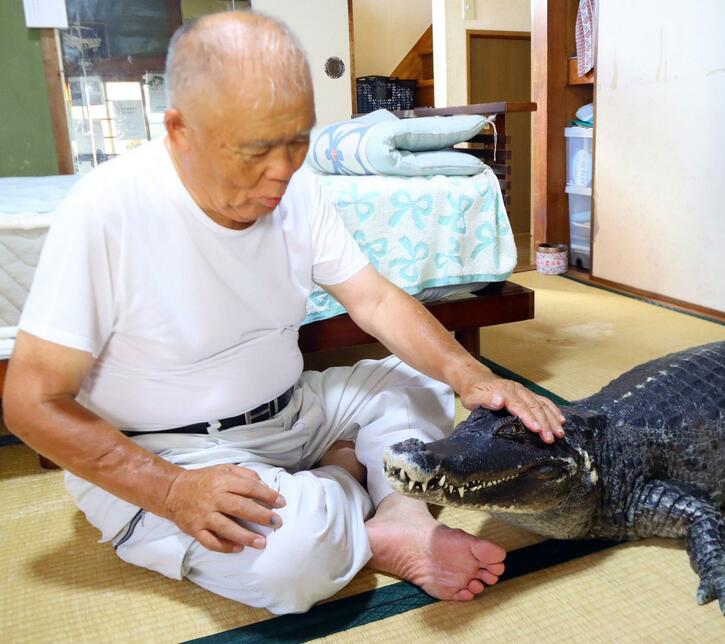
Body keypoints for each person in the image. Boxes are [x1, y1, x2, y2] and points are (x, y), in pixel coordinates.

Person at [2, 12, 564, 614]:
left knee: (426, 375)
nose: (281, 171)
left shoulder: (299, 188)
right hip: (169, 453)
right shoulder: (106, 210)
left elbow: (375, 301)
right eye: (254, 150)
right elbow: (30, 402)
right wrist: (169, 490)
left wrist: (470, 375)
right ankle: (352, 493)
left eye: (297, 140)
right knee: (291, 564)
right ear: (179, 131)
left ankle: (390, 513)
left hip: (294, 410)